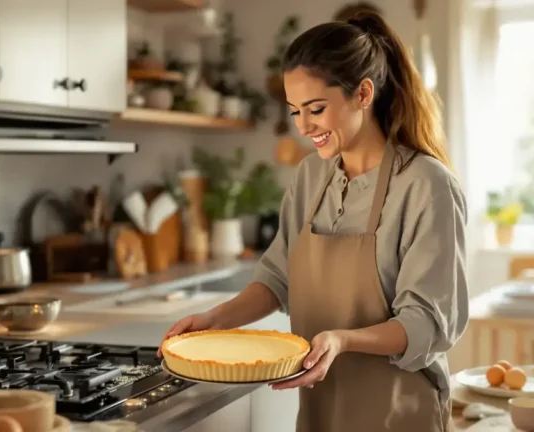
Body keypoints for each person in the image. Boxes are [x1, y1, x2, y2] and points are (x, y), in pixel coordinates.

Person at [159, 11, 468, 432]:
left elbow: (427, 322)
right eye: (295, 111)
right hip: (321, 408)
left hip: (398, 411)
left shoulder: (425, 184)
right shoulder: (311, 176)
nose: (305, 126)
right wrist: (214, 319)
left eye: (316, 109)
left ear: (363, 94)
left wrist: (343, 340)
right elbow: (276, 278)